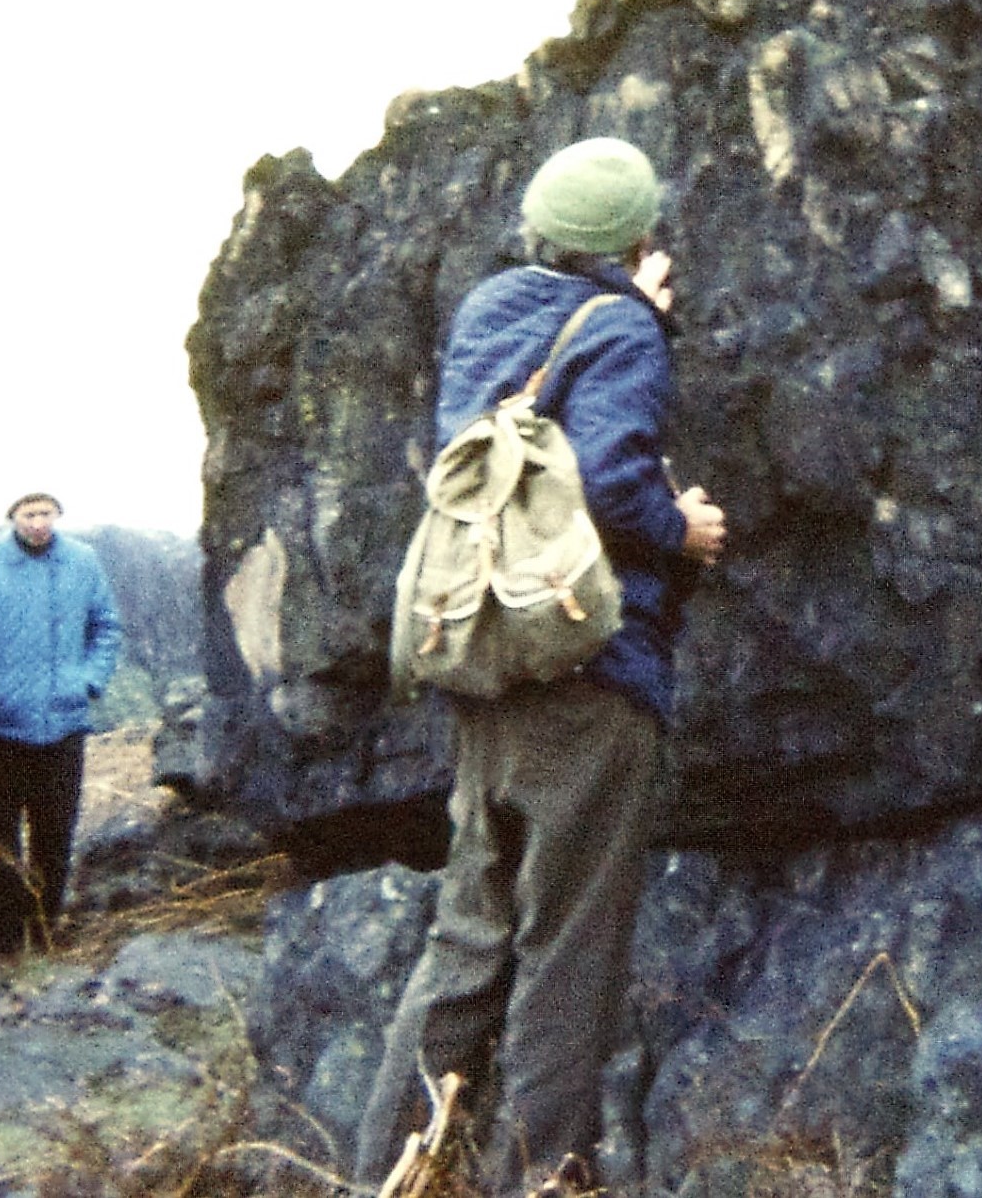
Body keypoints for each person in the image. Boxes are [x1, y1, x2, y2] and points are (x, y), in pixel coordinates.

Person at [356, 136, 727, 1195]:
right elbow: (611, 485)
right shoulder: (622, 330)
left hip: (487, 662)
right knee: (570, 953)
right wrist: (683, 527)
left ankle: (384, 1171)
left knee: (469, 937)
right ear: (637, 238)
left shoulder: (487, 313)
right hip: (592, 673)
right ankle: (545, 1178)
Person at [0, 491, 122, 956]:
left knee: (55, 830)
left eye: (46, 513)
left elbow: (106, 627)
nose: (38, 522)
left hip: (64, 723)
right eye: (28, 513)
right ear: (12, 515)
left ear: (58, 514)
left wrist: (88, 681)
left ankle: (44, 934)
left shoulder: (83, 561)